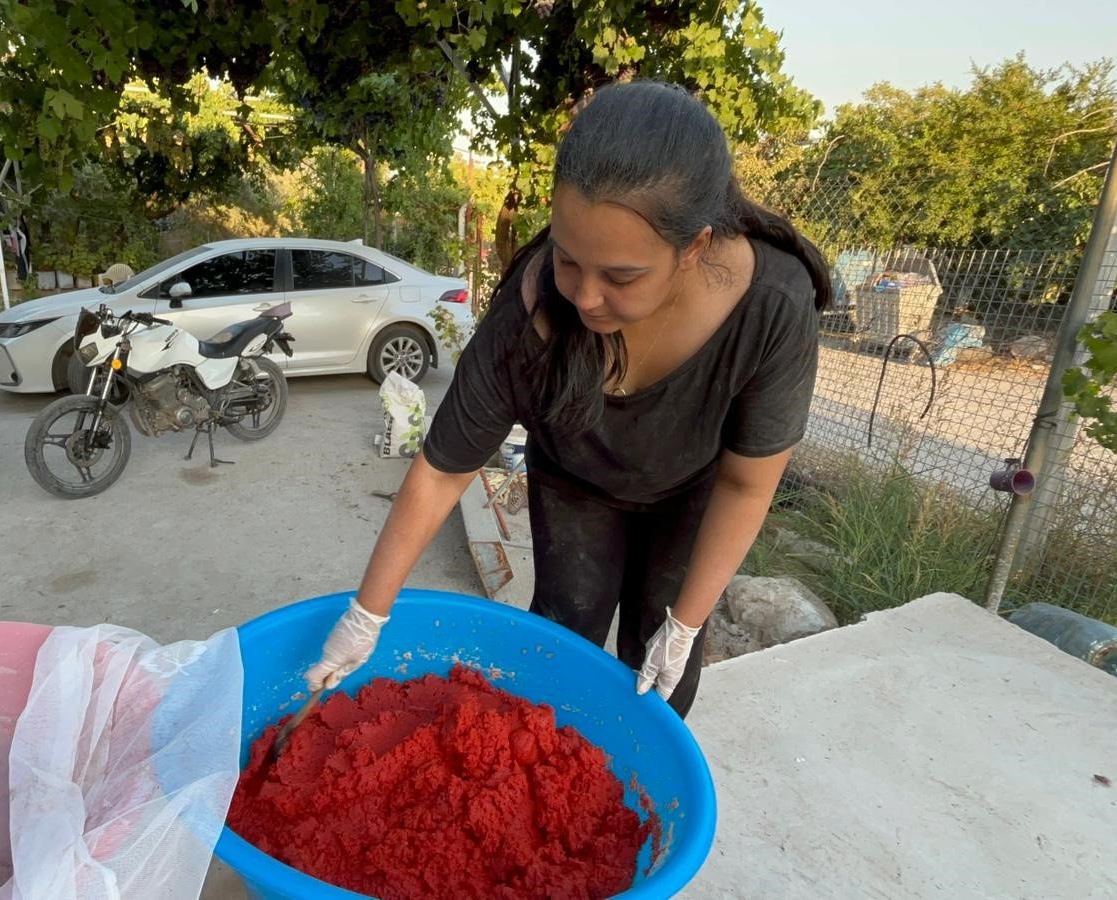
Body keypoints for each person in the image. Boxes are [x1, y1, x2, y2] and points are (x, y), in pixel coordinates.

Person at [307, 81, 829, 718]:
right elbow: (444, 470)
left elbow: (747, 486)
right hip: (575, 481)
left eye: (622, 276)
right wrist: (368, 614)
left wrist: (686, 628)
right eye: (568, 259)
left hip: (694, 488)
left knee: (661, 666)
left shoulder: (771, 303)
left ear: (693, 248)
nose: (583, 297)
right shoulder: (528, 315)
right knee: (558, 639)